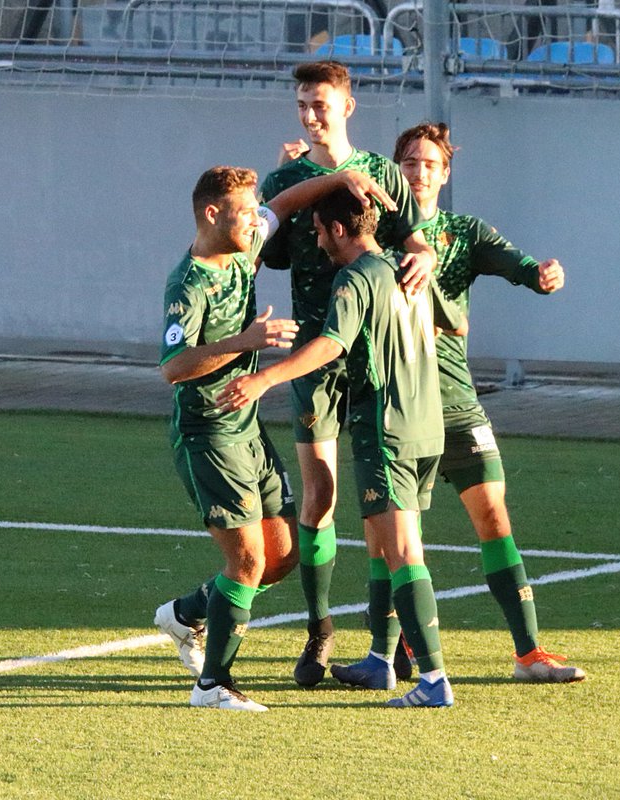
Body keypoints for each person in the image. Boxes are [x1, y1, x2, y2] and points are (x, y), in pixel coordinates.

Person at [329, 122, 582, 685]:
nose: (419, 172)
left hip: (455, 400)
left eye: (430, 164)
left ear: (446, 173)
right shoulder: (373, 229)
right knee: (388, 537)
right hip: (393, 405)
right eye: (409, 162)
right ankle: (382, 657)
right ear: (394, 170)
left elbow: (518, 267)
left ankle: (529, 652)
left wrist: (542, 275)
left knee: (493, 512)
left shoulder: (462, 233)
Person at [154, 165, 397, 711]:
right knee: (245, 561)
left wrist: (345, 177)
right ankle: (213, 685)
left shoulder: (243, 245)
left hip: (248, 428)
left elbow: (284, 203)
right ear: (213, 214)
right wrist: (249, 340)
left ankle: (188, 613)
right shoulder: (188, 283)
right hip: (208, 432)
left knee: (280, 555)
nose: (256, 220)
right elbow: (172, 367)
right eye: (246, 211)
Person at [215, 187, 467, 707]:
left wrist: (265, 381)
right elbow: (454, 322)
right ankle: (380, 664)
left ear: (336, 229)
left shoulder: (354, 278)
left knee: (401, 554)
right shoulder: (406, 267)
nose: (313, 237)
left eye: (317, 229)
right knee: (387, 543)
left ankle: (434, 681)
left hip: (386, 427)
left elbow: (331, 344)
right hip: (427, 426)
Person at [258, 60, 438, 687]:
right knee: (320, 496)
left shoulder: (387, 174)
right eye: (303, 104)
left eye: (322, 104)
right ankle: (319, 629)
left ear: (348, 106)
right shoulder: (287, 178)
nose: (311, 115)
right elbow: (260, 247)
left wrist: (426, 258)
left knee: (380, 511)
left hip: (370, 364)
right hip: (314, 355)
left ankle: (388, 647)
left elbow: (420, 240)